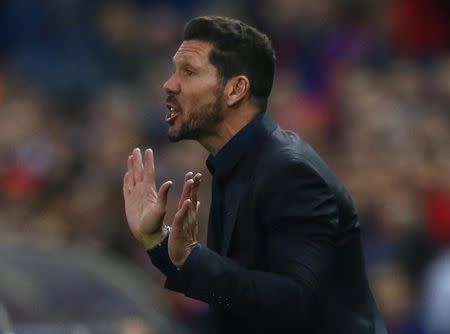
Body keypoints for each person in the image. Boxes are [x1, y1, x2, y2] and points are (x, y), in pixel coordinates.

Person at [123, 16, 387, 334]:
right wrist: (158, 241)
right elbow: (238, 302)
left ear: (236, 89)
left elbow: (294, 301)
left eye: (188, 72)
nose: (169, 84)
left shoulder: (289, 172)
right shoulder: (234, 162)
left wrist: (193, 260)